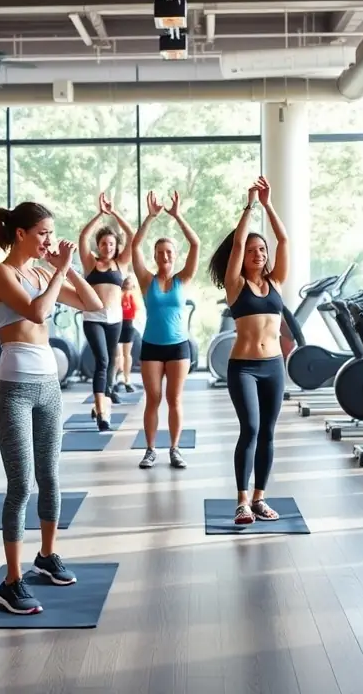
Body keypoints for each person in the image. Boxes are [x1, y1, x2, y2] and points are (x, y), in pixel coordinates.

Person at [0, 202, 103, 615]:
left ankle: (46, 556)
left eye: (52, 234)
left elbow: (93, 305)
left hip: (49, 386)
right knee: (21, 485)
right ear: (21, 234)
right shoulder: (2, 273)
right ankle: (11, 582)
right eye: (43, 234)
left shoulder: (40, 272)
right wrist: (58, 269)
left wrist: (66, 268)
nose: (49, 241)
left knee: (51, 477)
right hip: (14, 387)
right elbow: (37, 311)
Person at [207, 176, 289, 525]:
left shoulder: (276, 281)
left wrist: (269, 206)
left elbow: (284, 238)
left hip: (274, 366)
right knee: (251, 429)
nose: (258, 254)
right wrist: (250, 207)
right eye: (253, 251)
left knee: (268, 432)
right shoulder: (235, 285)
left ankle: (260, 498)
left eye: (262, 251)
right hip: (243, 368)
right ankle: (241, 501)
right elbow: (238, 242)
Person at [131, 190, 200, 470]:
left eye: (169, 252)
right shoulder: (146, 280)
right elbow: (135, 247)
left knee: (174, 399)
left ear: (175, 255)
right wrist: (150, 217)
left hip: (178, 346)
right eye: (160, 253)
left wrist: (177, 215)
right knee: (153, 399)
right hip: (151, 346)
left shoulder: (182, 279)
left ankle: (174, 449)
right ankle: (149, 450)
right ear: (155, 256)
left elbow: (196, 244)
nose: (165, 256)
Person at [78, 193, 135, 430]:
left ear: (116, 246)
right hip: (94, 318)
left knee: (112, 362)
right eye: (103, 243)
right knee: (102, 360)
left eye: (111, 244)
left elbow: (132, 235)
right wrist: (100, 214)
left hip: (116, 319)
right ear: (98, 246)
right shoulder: (90, 263)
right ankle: (102, 412)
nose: (108, 247)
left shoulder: (121, 264)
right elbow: (83, 236)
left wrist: (114, 215)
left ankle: (101, 401)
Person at [115, 275, 139, 393]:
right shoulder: (117, 294)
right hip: (118, 324)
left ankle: (127, 378)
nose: (127, 284)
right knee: (118, 355)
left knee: (127, 354)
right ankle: (118, 377)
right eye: (126, 282)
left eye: (130, 283)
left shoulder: (133, 296)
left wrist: (129, 294)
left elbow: (137, 309)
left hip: (128, 325)